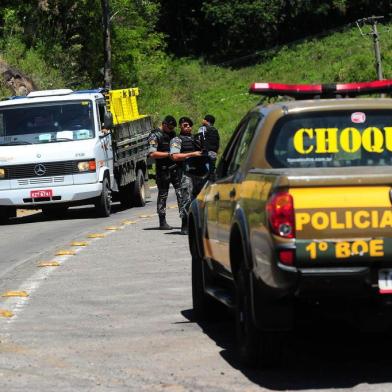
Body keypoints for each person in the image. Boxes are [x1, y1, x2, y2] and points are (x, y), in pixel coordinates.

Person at [148, 115, 182, 230]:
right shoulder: (154, 135)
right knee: (163, 195)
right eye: (170, 127)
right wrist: (168, 154)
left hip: (174, 168)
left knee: (180, 193)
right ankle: (162, 222)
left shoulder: (172, 134)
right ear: (164, 124)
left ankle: (185, 219)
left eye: (173, 128)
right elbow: (152, 154)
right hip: (163, 169)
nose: (172, 130)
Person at [170, 116, 202, 234]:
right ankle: (185, 224)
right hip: (185, 173)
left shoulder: (196, 139)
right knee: (186, 198)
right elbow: (174, 156)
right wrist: (193, 154)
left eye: (189, 125)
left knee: (198, 198)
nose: (187, 127)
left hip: (197, 173)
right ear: (180, 126)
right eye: (185, 125)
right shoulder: (177, 140)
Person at [196, 114, 220, 180]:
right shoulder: (215, 130)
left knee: (205, 173)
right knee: (211, 170)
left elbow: (199, 139)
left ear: (207, 121)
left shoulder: (203, 128)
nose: (202, 120)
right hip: (214, 153)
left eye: (204, 119)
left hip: (205, 153)